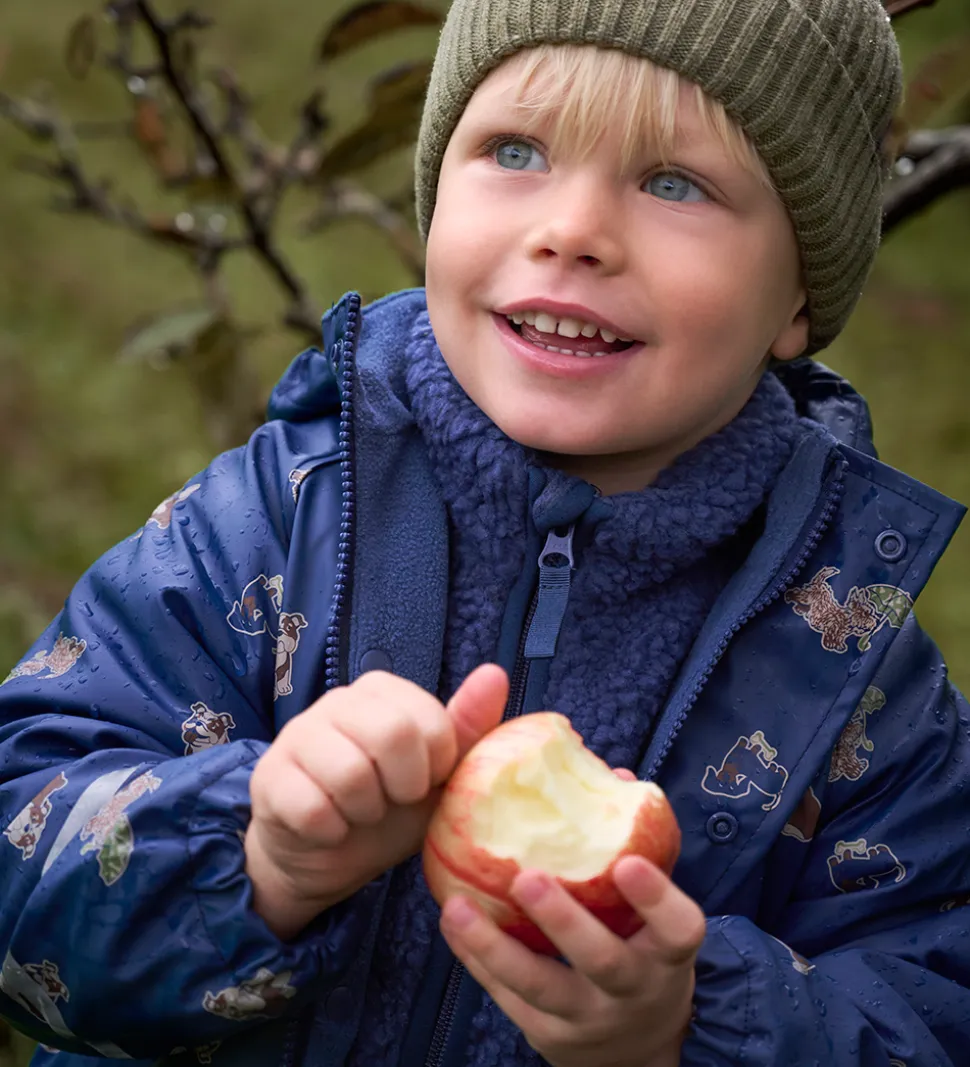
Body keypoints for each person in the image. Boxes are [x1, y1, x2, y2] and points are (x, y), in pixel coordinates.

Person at [2, 0, 969, 1063]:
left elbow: (930, 1000)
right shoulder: (272, 526)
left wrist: (687, 1026)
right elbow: (22, 860)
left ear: (797, 295)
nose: (573, 231)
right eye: (515, 150)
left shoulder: (848, 667)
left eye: (673, 183)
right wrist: (260, 853)